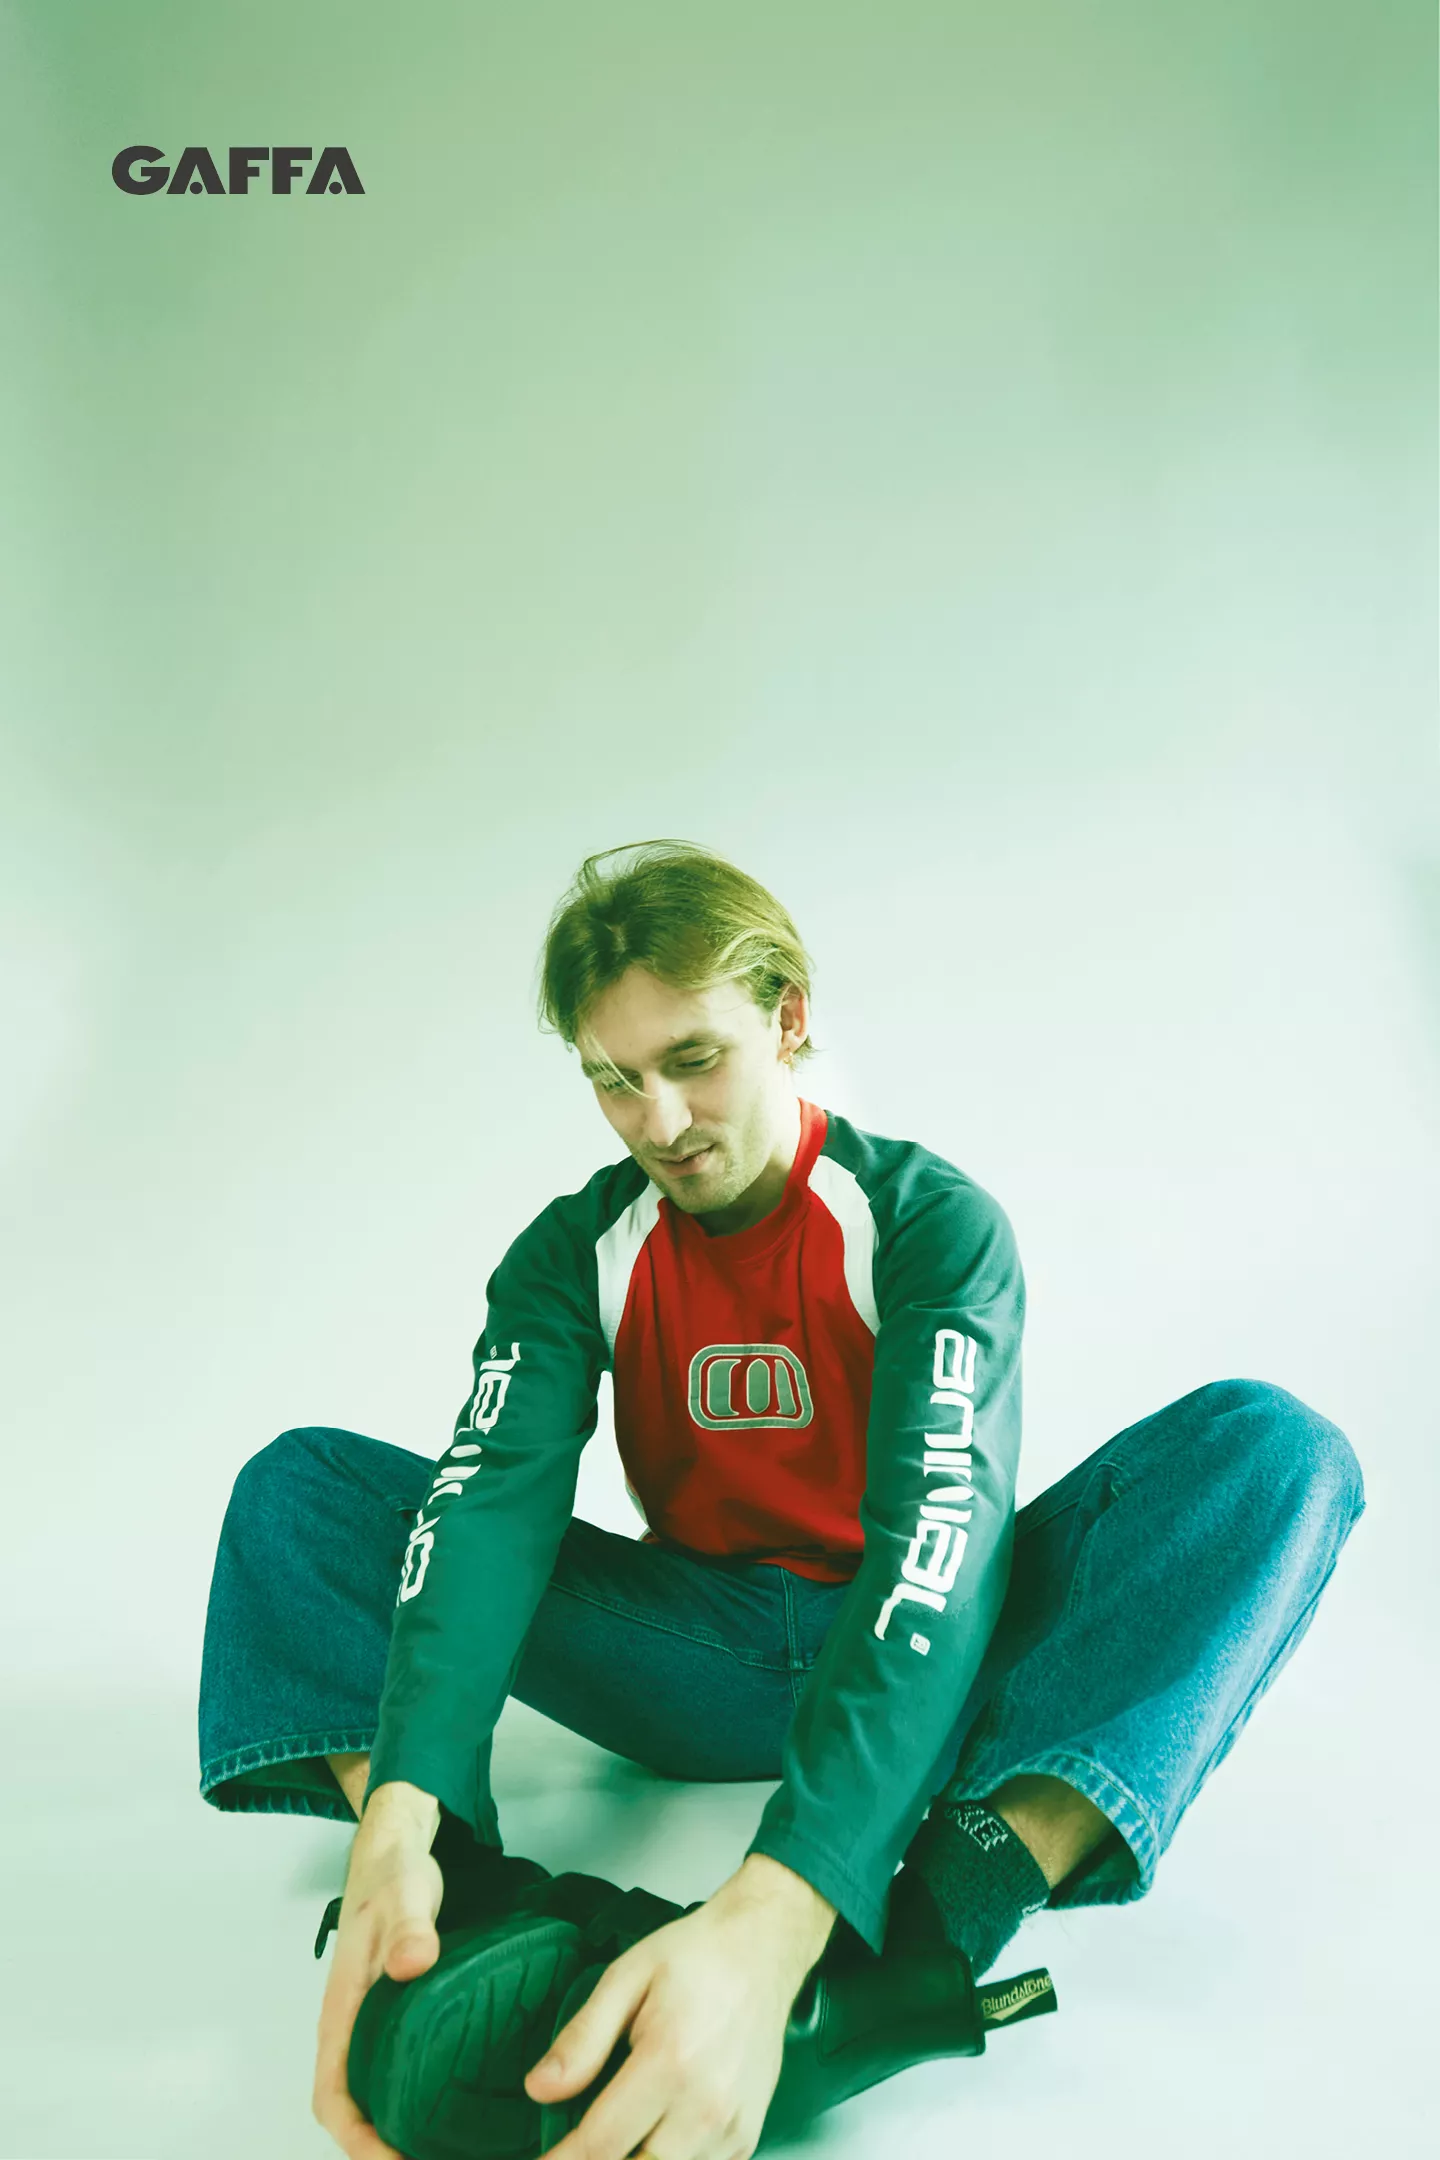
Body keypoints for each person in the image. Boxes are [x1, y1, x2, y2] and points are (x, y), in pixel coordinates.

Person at [198, 839, 1365, 2160]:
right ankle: (448, 1905)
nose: (658, 1121)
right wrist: (408, 1799)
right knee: (303, 1490)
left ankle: (908, 1952)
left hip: (932, 1650)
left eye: (693, 1059)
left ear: (789, 1019)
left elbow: (938, 1548)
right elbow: (486, 1512)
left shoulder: (924, 1222)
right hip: (689, 1653)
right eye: (613, 1080)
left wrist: (791, 1891)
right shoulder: (574, 1253)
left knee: (1273, 1452)